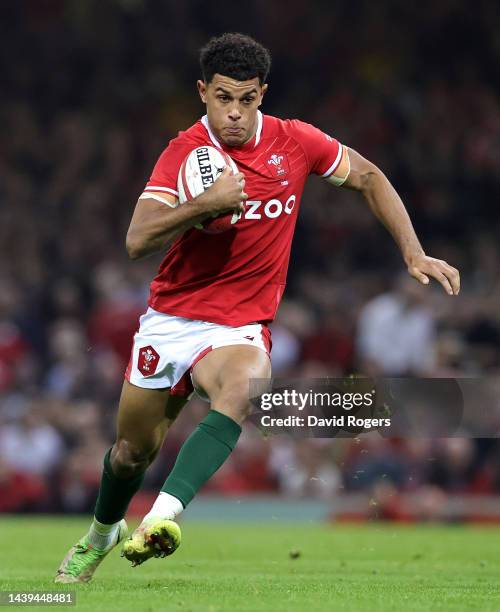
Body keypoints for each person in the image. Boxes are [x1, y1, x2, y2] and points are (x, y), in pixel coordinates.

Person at [55, 32, 460, 583]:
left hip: (240, 324)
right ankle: (102, 534)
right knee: (130, 453)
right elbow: (136, 240)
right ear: (203, 92)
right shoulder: (184, 153)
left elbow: (367, 175)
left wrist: (413, 251)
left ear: (262, 93)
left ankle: (160, 518)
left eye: (247, 99)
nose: (235, 114)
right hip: (172, 320)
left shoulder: (295, 141)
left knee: (246, 387)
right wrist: (205, 205)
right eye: (223, 98)